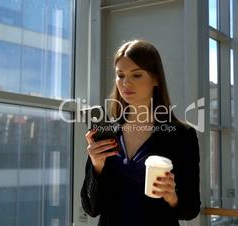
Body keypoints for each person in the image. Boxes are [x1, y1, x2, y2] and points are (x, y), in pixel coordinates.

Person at [81, 40, 200, 226]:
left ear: (156, 79)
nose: (126, 82)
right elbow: (91, 208)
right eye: (120, 75)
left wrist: (172, 196)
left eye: (136, 75)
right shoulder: (107, 132)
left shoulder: (181, 135)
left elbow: (191, 209)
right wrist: (96, 166)